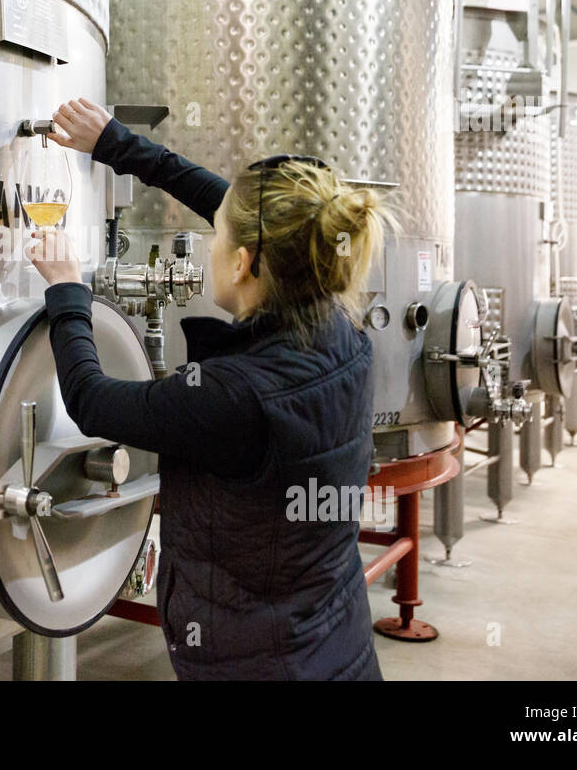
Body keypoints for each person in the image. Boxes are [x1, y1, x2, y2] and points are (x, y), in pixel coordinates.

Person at [24, 97, 393, 680]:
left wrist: (68, 291)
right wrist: (117, 145)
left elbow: (91, 400)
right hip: (333, 642)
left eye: (215, 237)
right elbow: (243, 212)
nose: (209, 242)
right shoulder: (342, 332)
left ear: (244, 263)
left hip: (257, 664)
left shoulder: (231, 396)